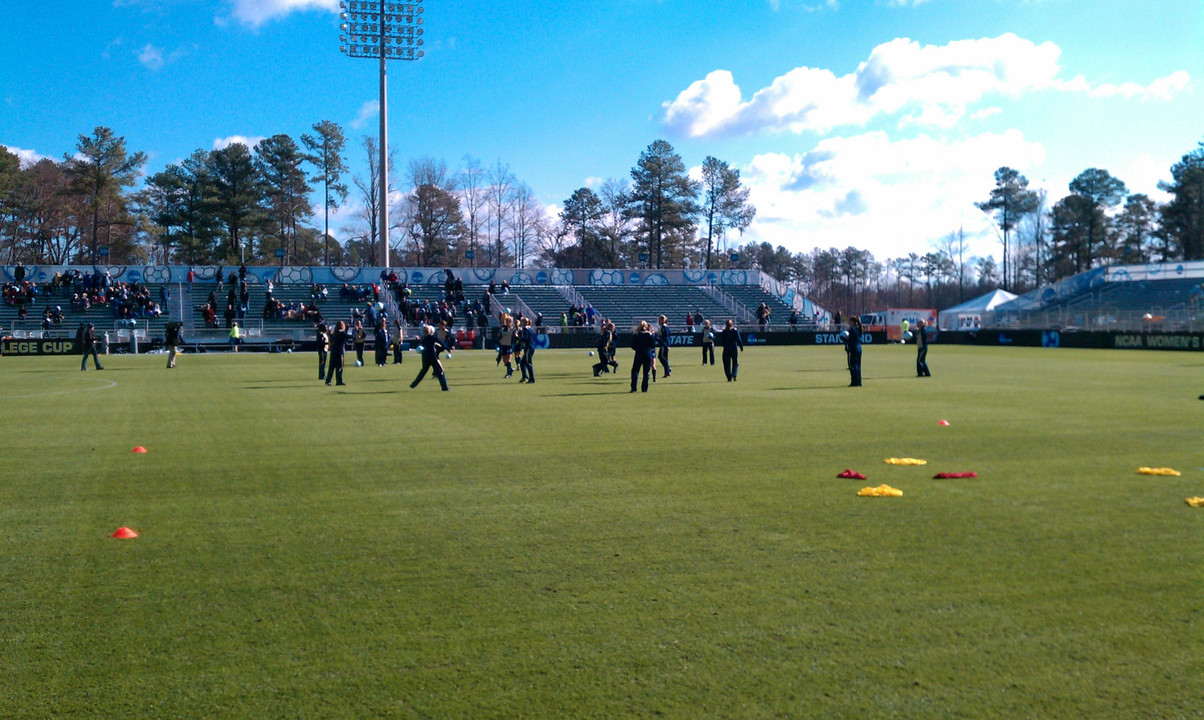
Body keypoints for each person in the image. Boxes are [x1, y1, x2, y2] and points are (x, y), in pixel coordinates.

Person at [410, 324, 449, 391]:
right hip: (432, 357)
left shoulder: (423, 338)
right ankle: (444, 387)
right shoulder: (432, 337)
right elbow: (441, 342)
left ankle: (414, 384)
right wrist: (448, 348)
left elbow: (420, 345)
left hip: (425, 357)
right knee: (440, 371)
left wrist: (417, 340)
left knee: (423, 371)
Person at [629, 321, 656, 393]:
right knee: (646, 372)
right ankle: (644, 388)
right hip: (648, 354)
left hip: (639, 354)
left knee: (635, 370)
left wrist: (637, 349)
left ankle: (633, 387)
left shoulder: (637, 335)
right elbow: (653, 345)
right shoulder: (650, 335)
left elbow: (633, 346)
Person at [325, 320, 348, 386]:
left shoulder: (334, 333)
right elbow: (350, 337)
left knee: (331, 367)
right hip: (339, 352)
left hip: (333, 352)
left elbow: (331, 339)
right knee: (339, 367)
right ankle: (339, 381)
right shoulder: (342, 333)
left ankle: (328, 381)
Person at [845, 315, 863, 387]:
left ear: (852, 322)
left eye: (849, 321)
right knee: (858, 365)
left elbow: (850, 340)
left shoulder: (852, 330)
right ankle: (859, 381)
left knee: (852, 365)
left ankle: (854, 382)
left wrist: (847, 347)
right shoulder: (859, 328)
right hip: (859, 348)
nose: (848, 323)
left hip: (853, 348)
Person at [517, 317, 536, 384]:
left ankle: (532, 379)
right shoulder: (530, 328)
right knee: (522, 363)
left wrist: (519, 336)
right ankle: (524, 376)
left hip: (528, 347)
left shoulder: (524, 329)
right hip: (530, 347)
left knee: (528, 363)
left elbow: (525, 338)